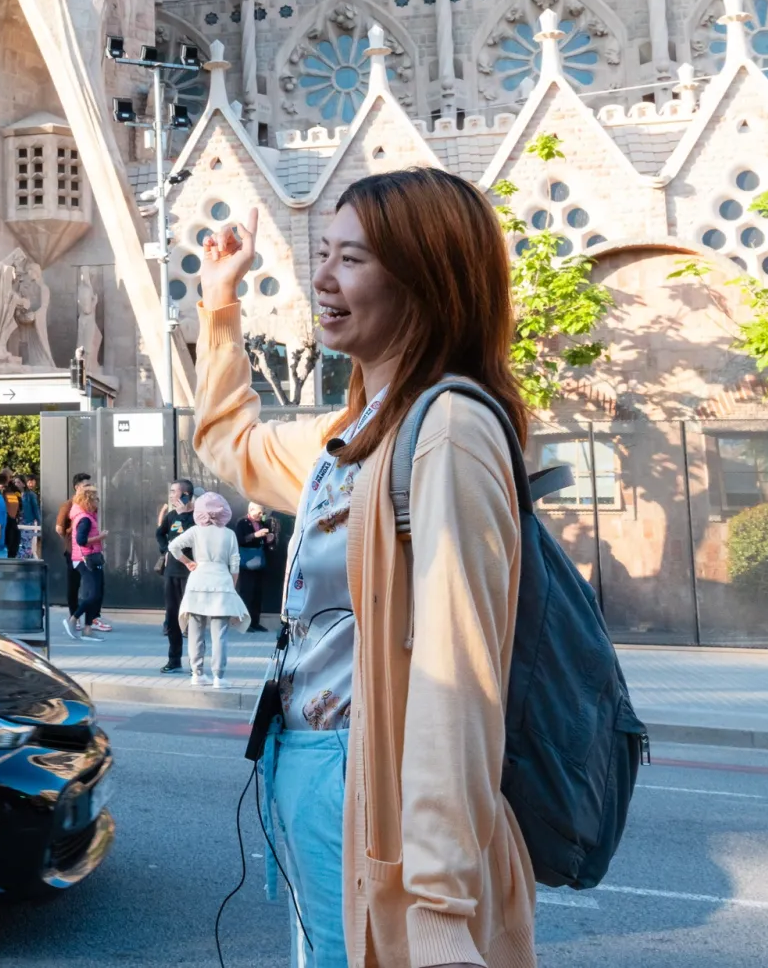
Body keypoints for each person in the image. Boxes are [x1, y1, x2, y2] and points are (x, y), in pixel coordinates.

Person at [194, 171, 538, 968]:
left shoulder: (447, 431)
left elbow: (459, 680)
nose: (321, 279)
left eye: (351, 259)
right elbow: (230, 445)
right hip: (316, 776)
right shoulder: (357, 431)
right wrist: (219, 303)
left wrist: (441, 910)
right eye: (324, 254)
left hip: (371, 787)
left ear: (425, 279)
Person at [168, 492, 247, 688]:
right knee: (219, 634)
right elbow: (235, 564)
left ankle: (197, 673)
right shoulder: (229, 534)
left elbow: (173, 546)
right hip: (222, 583)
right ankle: (219, 677)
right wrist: (232, 586)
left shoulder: (195, 531)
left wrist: (188, 562)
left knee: (195, 631)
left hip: (197, 582)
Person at [155, 480, 197, 673]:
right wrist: (165, 551)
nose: (171, 495)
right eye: (170, 491)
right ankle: (174, 659)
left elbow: (193, 536)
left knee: (192, 618)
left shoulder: (197, 516)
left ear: (186, 495)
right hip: (172, 573)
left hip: (190, 573)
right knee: (172, 617)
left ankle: (197, 664)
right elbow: (160, 533)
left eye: (174, 492)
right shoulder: (171, 516)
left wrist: (184, 517)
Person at [61, 483, 106, 640]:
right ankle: (73, 619)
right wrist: (100, 537)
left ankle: (87, 628)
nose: (97, 503)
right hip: (86, 558)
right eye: (95, 499)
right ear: (88, 501)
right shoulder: (84, 519)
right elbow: (81, 540)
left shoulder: (85, 516)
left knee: (94, 593)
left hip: (89, 557)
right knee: (93, 594)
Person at [235, 498, 277, 633]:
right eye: (259, 513)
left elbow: (267, 543)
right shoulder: (242, 523)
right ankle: (245, 624)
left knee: (258, 593)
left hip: (259, 561)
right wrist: (255, 535)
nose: (261, 516)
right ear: (250, 510)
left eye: (263, 513)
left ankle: (255, 621)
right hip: (246, 562)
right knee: (247, 592)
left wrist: (269, 540)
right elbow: (239, 540)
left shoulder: (264, 523)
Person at [55, 472, 91, 615]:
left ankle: (92, 616)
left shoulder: (90, 504)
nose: (90, 488)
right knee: (74, 583)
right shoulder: (69, 505)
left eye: (90, 485)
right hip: (73, 551)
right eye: (86, 485)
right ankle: (73, 614)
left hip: (89, 550)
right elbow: (59, 528)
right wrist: (70, 539)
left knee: (92, 584)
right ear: (77, 487)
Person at [17, 475, 43, 559]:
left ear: (23, 484)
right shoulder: (16, 494)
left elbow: (36, 510)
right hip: (19, 523)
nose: (16, 484)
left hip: (29, 523)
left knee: (29, 545)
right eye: (15, 482)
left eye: (18, 482)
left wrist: (40, 524)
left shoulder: (31, 495)